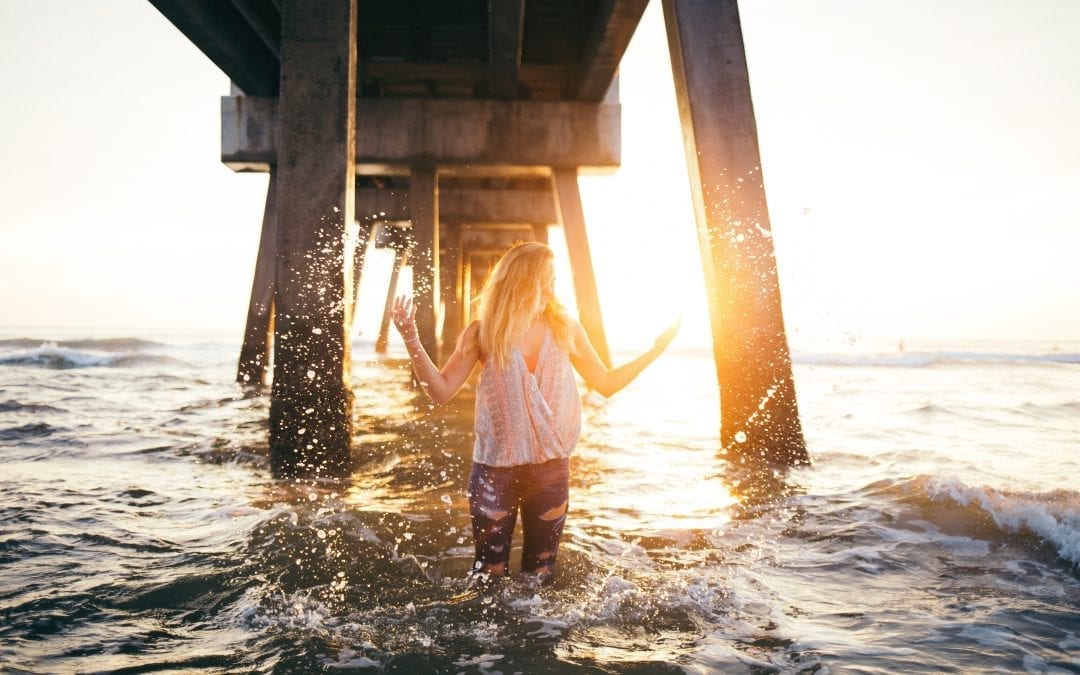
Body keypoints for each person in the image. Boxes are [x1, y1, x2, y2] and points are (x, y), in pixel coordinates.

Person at [391, 241, 678, 583]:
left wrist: (654, 352)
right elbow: (440, 391)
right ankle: (490, 638)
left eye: (554, 279)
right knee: (488, 577)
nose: (553, 287)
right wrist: (411, 337)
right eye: (547, 278)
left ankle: (536, 635)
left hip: (550, 471)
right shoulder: (484, 333)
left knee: (539, 577)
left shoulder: (565, 329)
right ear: (524, 281)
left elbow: (605, 382)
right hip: (495, 473)